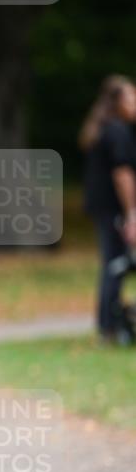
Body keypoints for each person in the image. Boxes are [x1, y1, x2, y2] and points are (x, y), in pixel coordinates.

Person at [80, 75, 136, 343]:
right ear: (117, 102)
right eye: (131, 97)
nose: (135, 103)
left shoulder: (102, 129)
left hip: (100, 208)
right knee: (116, 265)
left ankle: (107, 325)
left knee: (111, 264)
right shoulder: (117, 131)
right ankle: (110, 327)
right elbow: (122, 174)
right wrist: (131, 214)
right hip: (113, 209)